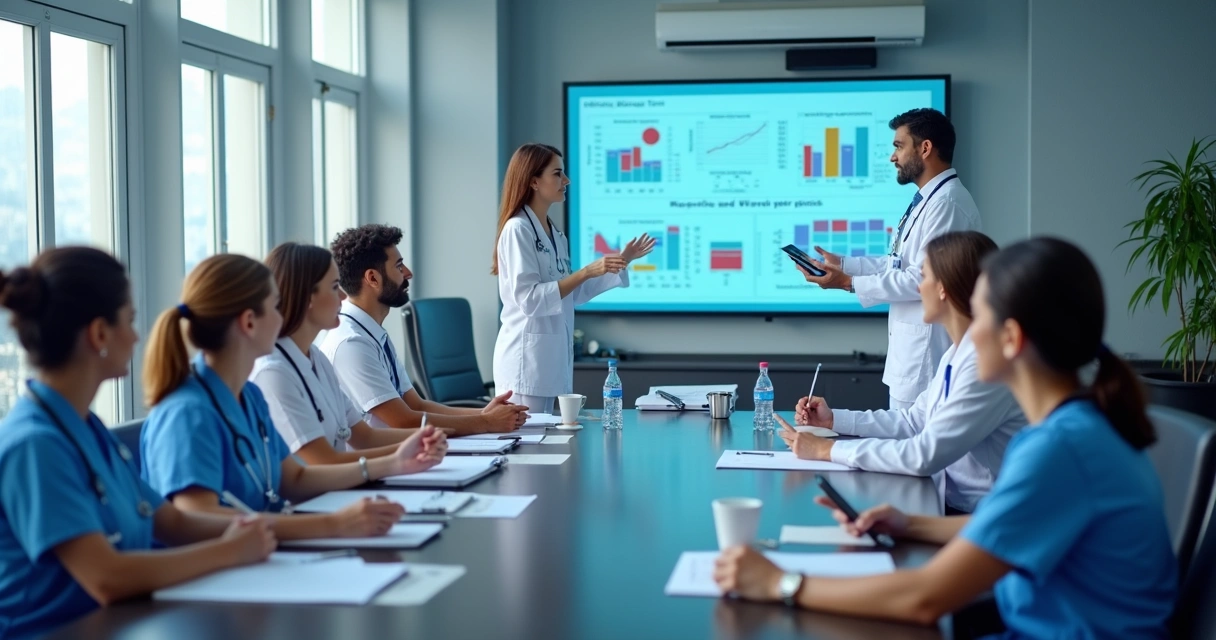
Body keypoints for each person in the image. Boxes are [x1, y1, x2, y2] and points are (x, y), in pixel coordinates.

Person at [714, 238, 1177, 637]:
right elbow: (1004, 523)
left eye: (980, 315)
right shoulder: (1075, 428)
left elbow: (923, 598)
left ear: (1011, 338)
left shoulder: (1061, 449)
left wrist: (780, 583)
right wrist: (910, 524)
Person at [0, 247, 276, 637]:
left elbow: (172, 521)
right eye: (129, 320)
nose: (136, 335)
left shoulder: (86, 428)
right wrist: (230, 551)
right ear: (99, 334)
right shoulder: (34, 446)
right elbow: (107, 577)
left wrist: (254, 532)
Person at [141, 254, 446, 538]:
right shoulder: (187, 413)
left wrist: (394, 464)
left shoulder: (247, 395)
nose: (286, 314)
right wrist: (333, 525)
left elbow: (294, 479)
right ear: (249, 322)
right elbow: (195, 522)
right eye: (276, 306)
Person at [779, 231, 1026, 513]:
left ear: (943, 288)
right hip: (949, 503)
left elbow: (924, 454)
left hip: (976, 516)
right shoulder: (957, 353)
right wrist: (835, 420)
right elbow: (914, 421)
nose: (919, 289)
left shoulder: (985, 367)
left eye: (924, 276)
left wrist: (825, 450)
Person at [798, 108, 981, 409]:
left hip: (927, 359)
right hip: (909, 358)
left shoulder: (947, 204)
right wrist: (843, 265)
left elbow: (923, 279)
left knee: (913, 446)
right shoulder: (928, 200)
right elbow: (898, 263)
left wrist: (848, 283)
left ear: (925, 148)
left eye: (899, 146)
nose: (892, 157)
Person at [491, 143, 656, 413]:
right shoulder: (517, 229)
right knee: (527, 450)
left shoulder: (555, 235)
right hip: (524, 364)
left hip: (549, 362)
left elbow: (572, 294)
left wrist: (620, 262)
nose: (566, 180)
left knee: (544, 449)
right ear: (533, 181)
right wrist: (587, 271)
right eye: (558, 174)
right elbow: (530, 300)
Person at [320, 224, 529, 433]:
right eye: (399, 266)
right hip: (377, 460)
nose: (408, 273)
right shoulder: (351, 343)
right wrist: (487, 423)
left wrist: (484, 414)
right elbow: (403, 421)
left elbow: (417, 405)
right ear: (373, 278)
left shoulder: (371, 333)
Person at [252, 242, 426, 465]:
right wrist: (400, 458)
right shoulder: (272, 373)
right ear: (308, 297)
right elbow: (325, 462)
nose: (343, 296)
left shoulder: (316, 358)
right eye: (335, 287)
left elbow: (365, 437)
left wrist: (432, 438)